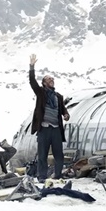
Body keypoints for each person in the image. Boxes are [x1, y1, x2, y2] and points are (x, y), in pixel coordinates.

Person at [28, 54, 69, 182]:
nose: (51, 80)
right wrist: (32, 67)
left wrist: (66, 114)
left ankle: (58, 175)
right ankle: (42, 176)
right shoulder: (41, 93)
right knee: (42, 154)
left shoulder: (58, 96)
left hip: (56, 128)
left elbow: (62, 109)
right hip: (44, 128)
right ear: (44, 83)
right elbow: (32, 82)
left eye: (52, 78)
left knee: (58, 154)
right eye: (48, 79)